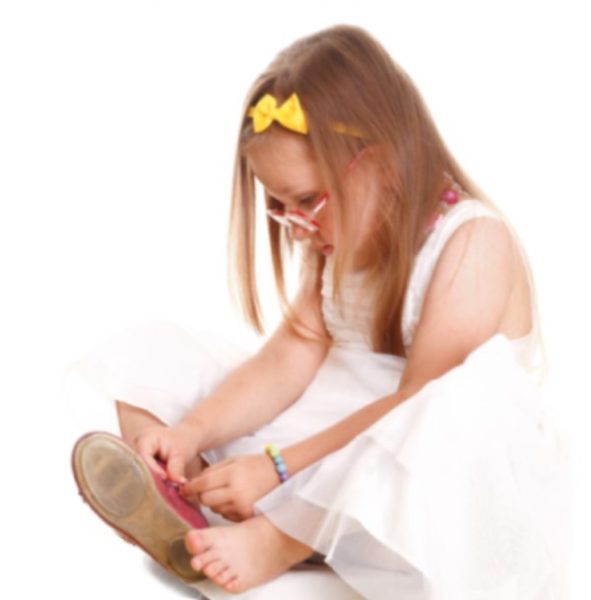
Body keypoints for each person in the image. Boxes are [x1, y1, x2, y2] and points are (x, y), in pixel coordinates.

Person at [68, 24, 570, 599]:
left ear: (380, 161)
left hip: (412, 459)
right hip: (319, 434)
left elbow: (416, 403)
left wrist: (278, 469)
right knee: (152, 354)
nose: (297, 225)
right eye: (280, 207)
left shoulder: (473, 241)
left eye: (307, 200)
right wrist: (191, 430)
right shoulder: (342, 237)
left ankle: (281, 540)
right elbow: (290, 358)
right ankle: (181, 501)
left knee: (446, 410)